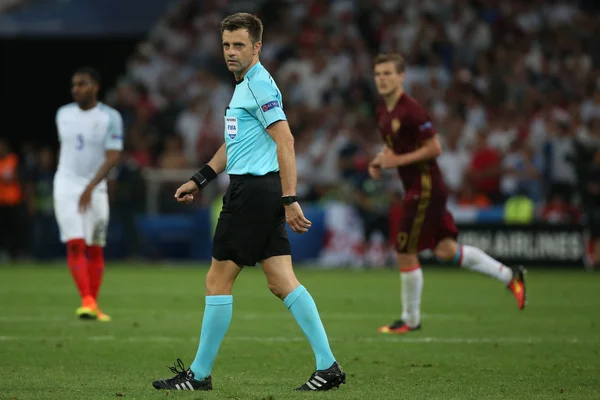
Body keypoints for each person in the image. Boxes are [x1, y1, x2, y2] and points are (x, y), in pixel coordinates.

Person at [151, 13, 345, 392]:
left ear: (257, 47)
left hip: (253, 194)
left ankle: (199, 375)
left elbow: (286, 142)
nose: (230, 52)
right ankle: (329, 366)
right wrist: (200, 178)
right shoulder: (247, 87)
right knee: (280, 280)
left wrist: (290, 199)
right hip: (261, 190)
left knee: (217, 280)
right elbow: (234, 144)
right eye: (226, 45)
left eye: (239, 45)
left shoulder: (257, 86)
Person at [369, 54, 527, 335]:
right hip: (419, 187)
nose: (382, 79)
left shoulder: (412, 111)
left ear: (401, 77)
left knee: (405, 250)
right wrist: (379, 160)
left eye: (388, 74)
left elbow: (434, 148)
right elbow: (397, 149)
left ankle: (410, 319)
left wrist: (396, 162)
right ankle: (510, 275)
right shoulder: (383, 112)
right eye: (378, 74)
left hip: (426, 187)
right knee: (445, 250)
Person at [54, 67, 123, 322]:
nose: (76, 89)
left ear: (95, 86)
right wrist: (77, 186)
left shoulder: (110, 117)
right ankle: (87, 300)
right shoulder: (63, 114)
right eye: (74, 84)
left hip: (96, 187)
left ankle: (93, 304)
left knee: (95, 246)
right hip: (66, 185)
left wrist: (91, 187)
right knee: (75, 242)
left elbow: (113, 156)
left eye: (82, 84)